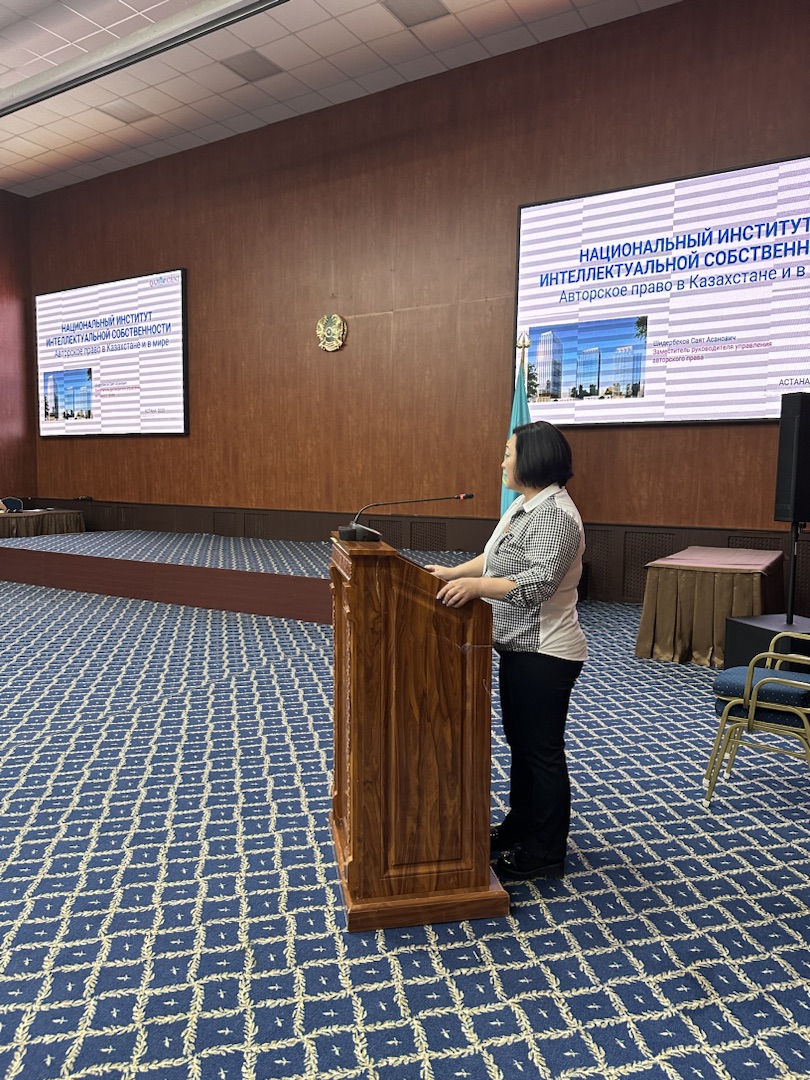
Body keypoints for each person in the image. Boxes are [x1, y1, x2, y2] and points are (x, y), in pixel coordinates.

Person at [426, 420, 587, 881]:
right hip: (519, 648)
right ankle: (522, 825)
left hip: (547, 653)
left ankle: (546, 851)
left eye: (508, 453)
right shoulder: (525, 504)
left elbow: (536, 584)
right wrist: (455, 573)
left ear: (532, 459)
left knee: (541, 752)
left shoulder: (556, 516)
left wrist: (477, 588)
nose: (501, 461)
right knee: (522, 745)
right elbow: (495, 558)